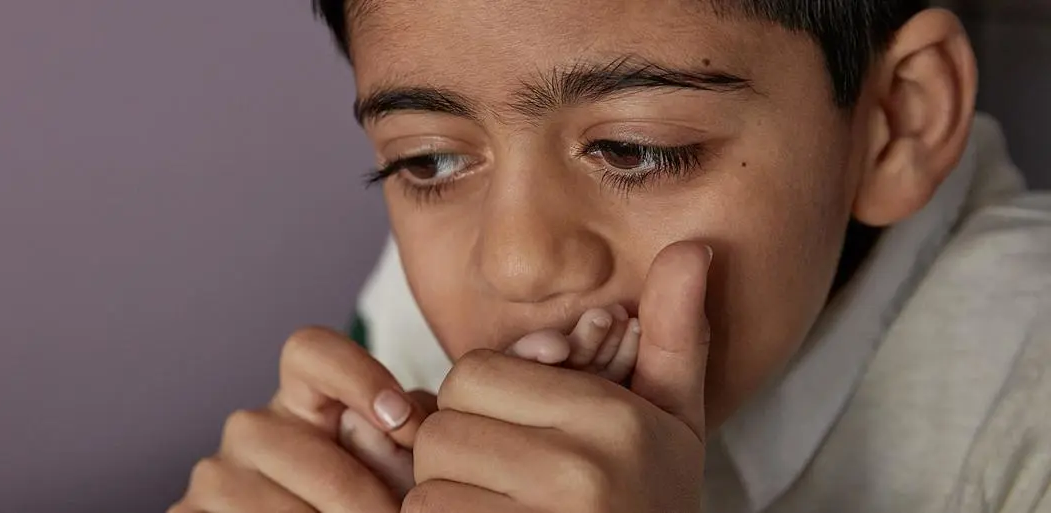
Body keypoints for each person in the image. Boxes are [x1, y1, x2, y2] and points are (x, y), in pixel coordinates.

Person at [171, 1, 1051, 511]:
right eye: (431, 161)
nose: (514, 263)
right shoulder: (411, 320)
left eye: (634, 149)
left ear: (895, 123)